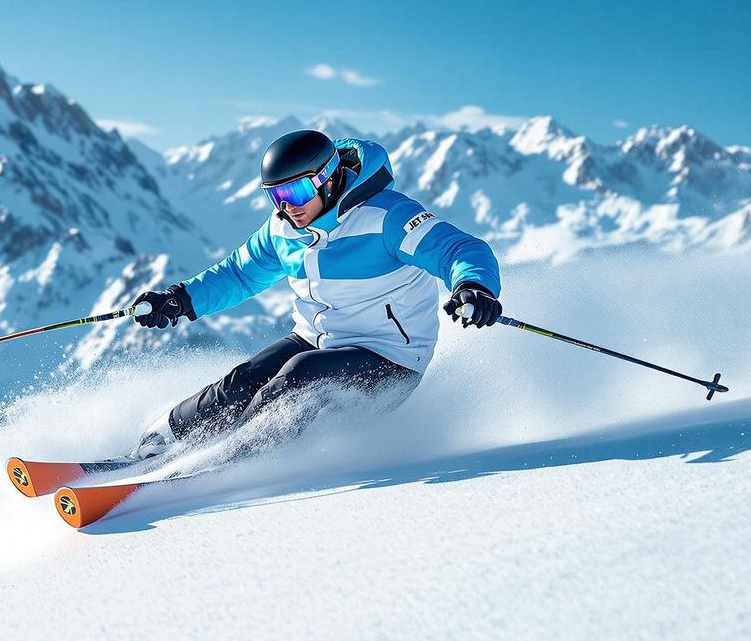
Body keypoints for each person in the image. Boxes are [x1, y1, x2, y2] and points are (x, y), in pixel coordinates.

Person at [128, 129, 502, 459]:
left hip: (390, 357)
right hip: (315, 340)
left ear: (327, 179)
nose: (287, 206)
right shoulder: (283, 228)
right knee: (241, 380)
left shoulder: (387, 217)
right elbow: (239, 274)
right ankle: (156, 444)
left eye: (296, 191)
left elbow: (459, 249)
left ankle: (230, 458)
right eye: (275, 196)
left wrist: (475, 287)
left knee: (299, 376)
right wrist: (180, 300)